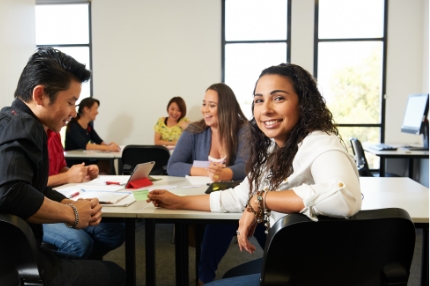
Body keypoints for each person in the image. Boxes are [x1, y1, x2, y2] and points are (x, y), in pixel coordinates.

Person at [148, 63, 362, 285]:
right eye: (259, 100)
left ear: (303, 104)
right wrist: (178, 202)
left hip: (313, 271)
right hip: (288, 260)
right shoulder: (273, 149)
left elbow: (343, 198)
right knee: (231, 275)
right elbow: (238, 196)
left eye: (278, 98)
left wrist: (261, 200)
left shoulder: (318, 142)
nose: (266, 109)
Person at [0, 47, 125, 286]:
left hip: (14, 255)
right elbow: (11, 192)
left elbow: (31, 186)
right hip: (15, 262)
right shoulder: (25, 126)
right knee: (115, 274)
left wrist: (69, 203)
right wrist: (72, 214)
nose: (73, 112)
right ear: (40, 95)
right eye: (70, 102)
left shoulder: (12, 119)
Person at [166, 83, 266, 285]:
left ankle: (285, 266)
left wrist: (223, 173)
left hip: (238, 198)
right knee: (217, 224)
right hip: (205, 196)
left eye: (211, 105)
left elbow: (245, 166)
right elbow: (173, 165)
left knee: (240, 220)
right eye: (204, 104)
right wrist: (206, 171)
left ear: (226, 108)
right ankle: (204, 278)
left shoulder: (244, 130)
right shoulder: (194, 131)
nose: (205, 110)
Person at [45, 129, 125, 260]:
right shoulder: (27, 134)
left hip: (59, 197)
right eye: (69, 106)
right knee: (80, 244)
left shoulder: (55, 134)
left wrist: (81, 174)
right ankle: (82, 267)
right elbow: (31, 184)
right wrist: (67, 176)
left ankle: (86, 265)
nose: (74, 113)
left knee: (114, 231)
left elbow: (60, 169)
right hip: (42, 207)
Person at [65, 97, 120, 173]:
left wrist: (110, 145)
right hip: (74, 163)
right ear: (86, 109)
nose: (97, 112)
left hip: (85, 160)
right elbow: (85, 146)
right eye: (96, 108)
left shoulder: (88, 126)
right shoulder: (73, 126)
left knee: (107, 162)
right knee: (105, 164)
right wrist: (108, 148)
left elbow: (99, 141)